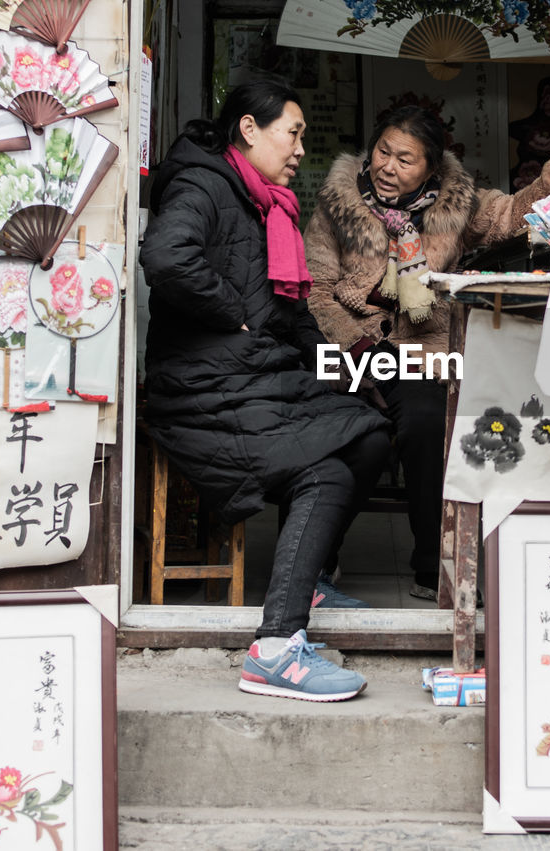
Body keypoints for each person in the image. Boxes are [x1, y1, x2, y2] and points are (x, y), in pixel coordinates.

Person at [140, 74, 390, 702]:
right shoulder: (203, 184)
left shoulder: (263, 203)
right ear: (249, 130)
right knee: (325, 472)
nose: (301, 148)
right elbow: (167, 259)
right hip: (201, 386)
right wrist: (234, 313)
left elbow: (288, 310)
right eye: (293, 133)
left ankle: (304, 581)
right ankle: (277, 647)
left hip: (252, 372)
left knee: (369, 431)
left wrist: (341, 367)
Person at [304, 104, 550, 600]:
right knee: (351, 432)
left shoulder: (455, 203)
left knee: (427, 424)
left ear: (432, 169)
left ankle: (431, 565)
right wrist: (355, 351)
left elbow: (512, 214)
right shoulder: (337, 203)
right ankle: (317, 558)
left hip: (424, 350)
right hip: (350, 346)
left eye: (405, 159)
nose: (387, 166)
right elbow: (316, 290)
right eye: (382, 152)